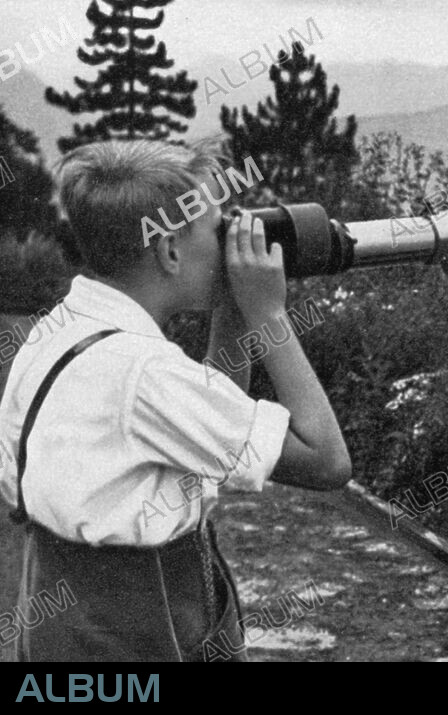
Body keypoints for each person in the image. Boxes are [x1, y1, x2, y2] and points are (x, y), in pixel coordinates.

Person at [0, 138, 351, 662]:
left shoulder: (64, 327)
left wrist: (231, 307)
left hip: (66, 620)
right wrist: (269, 315)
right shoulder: (145, 373)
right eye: (216, 230)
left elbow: (207, 418)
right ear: (168, 251)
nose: (229, 241)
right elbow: (327, 460)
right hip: (143, 627)